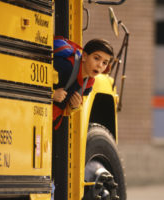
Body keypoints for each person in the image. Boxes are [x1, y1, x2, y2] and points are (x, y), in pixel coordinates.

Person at [51, 38, 114, 200]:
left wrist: (73, 107)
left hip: (50, 124)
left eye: (105, 62)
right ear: (84, 56)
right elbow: (32, 78)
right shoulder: (65, 66)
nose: (100, 65)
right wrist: (51, 94)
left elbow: (67, 111)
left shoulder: (89, 83)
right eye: (96, 58)